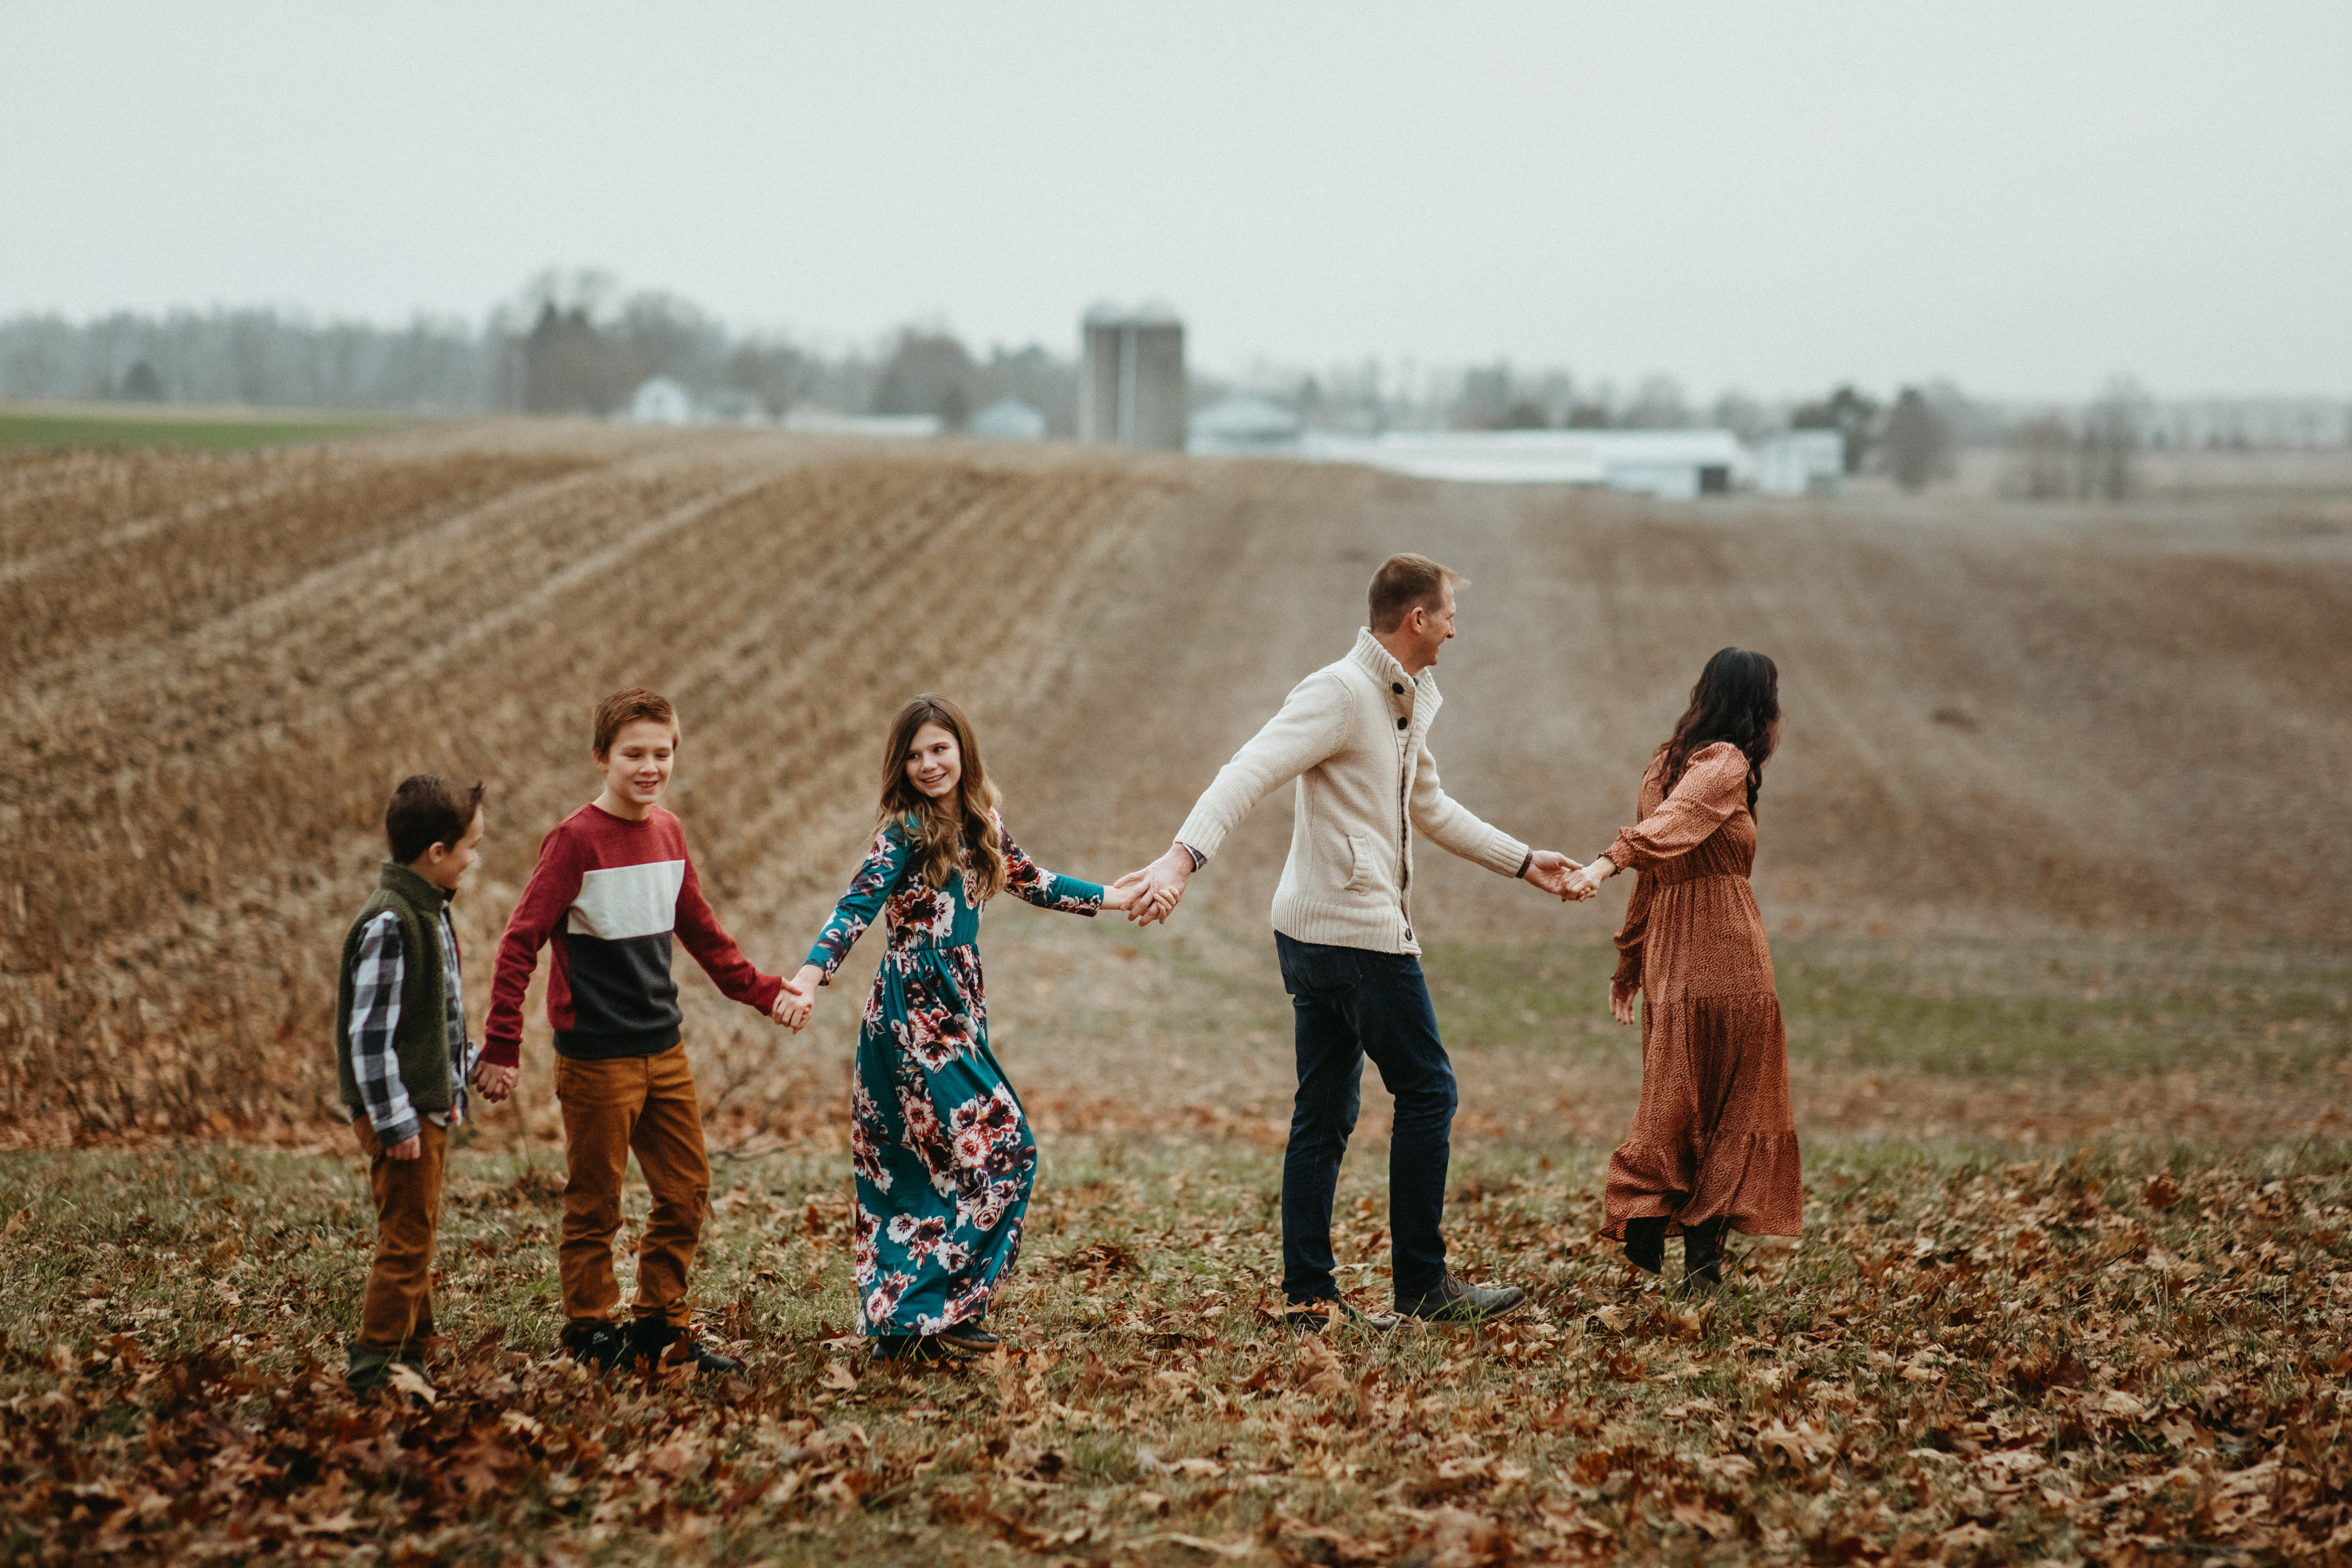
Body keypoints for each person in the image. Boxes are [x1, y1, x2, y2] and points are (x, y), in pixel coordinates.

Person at [1123, 554, 1583, 1327]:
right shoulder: (1340, 692)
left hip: (1316, 935)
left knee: (1325, 1112)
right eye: (1448, 615)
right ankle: (1423, 1285)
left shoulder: (1401, 703)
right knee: (1429, 1091)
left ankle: (1309, 1296)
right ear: (1416, 619)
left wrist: (1523, 861)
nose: (1454, 629)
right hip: (1353, 934)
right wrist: (1182, 857)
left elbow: (1429, 806)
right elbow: (1247, 770)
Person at [776, 695, 1159, 1362]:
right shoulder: (905, 832)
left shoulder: (982, 822)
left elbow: (1032, 881)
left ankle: (911, 1326)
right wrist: (811, 977)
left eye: (940, 749)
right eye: (915, 755)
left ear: (963, 752)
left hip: (956, 1006)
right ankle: (944, 1310)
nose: (929, 764)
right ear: (901, 766)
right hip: (913, 1013)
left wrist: (1115, 898)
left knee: (937, 1165)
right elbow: (856, 905)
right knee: (1003, 1149)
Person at [482, 688, 791, 1377]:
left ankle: (660, 1328)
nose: (650, 768)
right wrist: (503, 1045)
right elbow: (519, 942)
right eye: (634, 755)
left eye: (661, 753)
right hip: (596, 1058)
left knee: (686, 1191)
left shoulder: (669, 833)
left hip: (664, 1049)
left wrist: (766, 993)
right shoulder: (574, 842)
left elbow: (703, 933)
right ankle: (590, 1333)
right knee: (596, 1203)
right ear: (602, 758)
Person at [1560, 647, 1803, 1292]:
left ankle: (1651, 1211)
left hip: (1670, 955)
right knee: (1731, 1100)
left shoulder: (1662, 768)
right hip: (1727, 948)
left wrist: (1630, 961)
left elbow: (1657, 864)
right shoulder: (1726, 764)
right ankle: (1698, 1258)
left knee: (1676, 1088)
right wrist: (1607, 863)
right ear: (1760, 706)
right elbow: (1664, 835)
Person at [334, 774, 494, 1396]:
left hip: (425, 1105)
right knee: (405, 1239)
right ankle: (374, 1364)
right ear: (436, 852)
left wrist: (472, 1061)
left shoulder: (428, 910)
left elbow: (433, 1020)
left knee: (416, 1229)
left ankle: (413, 1349)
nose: (474, 858)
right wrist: (396, 1120)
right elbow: (369, 1037)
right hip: (401, 1112)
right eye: (470, 847)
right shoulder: (392, 922)